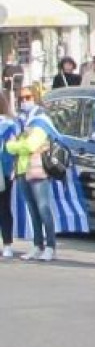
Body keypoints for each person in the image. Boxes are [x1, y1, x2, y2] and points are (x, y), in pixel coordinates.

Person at [7, 85, 59, 261]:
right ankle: (38, 245)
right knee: (32, 210)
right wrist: (14, 146)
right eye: (21, 98)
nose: (24, 101)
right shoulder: (22, 120)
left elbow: (31, 145)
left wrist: (14, 145)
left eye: (28, 97)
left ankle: (50, 246)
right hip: (22, 169)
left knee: (43, 208)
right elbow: (12, 146)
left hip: (38, 170)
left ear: (35, 98)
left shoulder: (40, 119)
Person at [0, 94, 15, 259]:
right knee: (4, 208)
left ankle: (7, 244)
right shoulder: (11, 124)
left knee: (4, 208)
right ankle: (7, 245)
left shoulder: (8, 124)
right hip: (5, 170)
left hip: (3, 169)